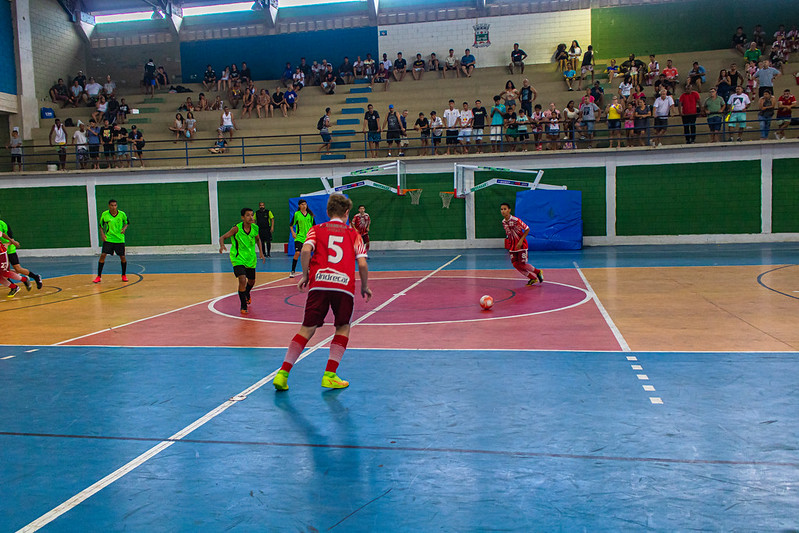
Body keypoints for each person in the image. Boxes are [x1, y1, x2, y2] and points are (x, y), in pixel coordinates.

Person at [273, 194, 371, 392]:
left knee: (306, 329)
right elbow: (362, 262)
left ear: (327, 212)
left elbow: (306, 250)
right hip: (343, 286)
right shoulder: (354, 234)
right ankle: (330, 375)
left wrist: (305, 275)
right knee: (343, 327)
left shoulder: (316, 230)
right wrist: (364, 286)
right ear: (346, 213)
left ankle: (283, 373)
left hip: (319, 284)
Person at [218, 207, 265, 314]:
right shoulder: (237, 228)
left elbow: (258, 239)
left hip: (250, 259)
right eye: (248, 215)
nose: (251, 217)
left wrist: (261, 252)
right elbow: (222, 237)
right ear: (242, 217)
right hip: (238, 258)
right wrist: (222, 245)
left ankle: (246, 293)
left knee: (252, 281)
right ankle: (243, 306)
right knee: (242, 279)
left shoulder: (255, 228)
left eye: (252, 215)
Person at [501, 202, 543, 286]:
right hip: (512, 247)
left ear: (509, 210)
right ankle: (533, 278)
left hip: (521, 245)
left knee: (522, 264)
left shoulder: (516, 220)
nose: (503, 211)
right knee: (515, 265)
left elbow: (527, 229)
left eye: (505, 209)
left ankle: (538, 272)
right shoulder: (503, 222)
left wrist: (520, 241)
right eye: (501, 209)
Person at [0, 220, 43, 290]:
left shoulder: (3, 224)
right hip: (1, 251)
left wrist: (8, 244)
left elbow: (11, 238)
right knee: (3, 272)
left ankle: (35, 277)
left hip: (9, 249)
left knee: (18, 268)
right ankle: (14, 287)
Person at [93, 199, 128, 283]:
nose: (113, 207)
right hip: (109, 238)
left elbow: (127, 222)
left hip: (119, 239)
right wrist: (102, 234)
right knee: (103, 255)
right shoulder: (105, 214)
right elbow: (101, 225)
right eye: (112, 205)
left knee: (122, 257)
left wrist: (124, 228)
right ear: (109, 206)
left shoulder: (122, 214)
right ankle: (98, 276)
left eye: (115, 205)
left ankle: (123, 275)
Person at [289, 199, 314, 278]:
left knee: (308, 254)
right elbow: (291, 225)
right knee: (297, 253)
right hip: (299, 237)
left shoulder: (310, 215)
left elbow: (313, 226)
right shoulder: (297, 214)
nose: (304, 206)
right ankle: (293, 271)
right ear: (299, 205)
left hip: (308, 237)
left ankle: (310, 269)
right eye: (302, 204)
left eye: (305, 204)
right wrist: (293, 232)